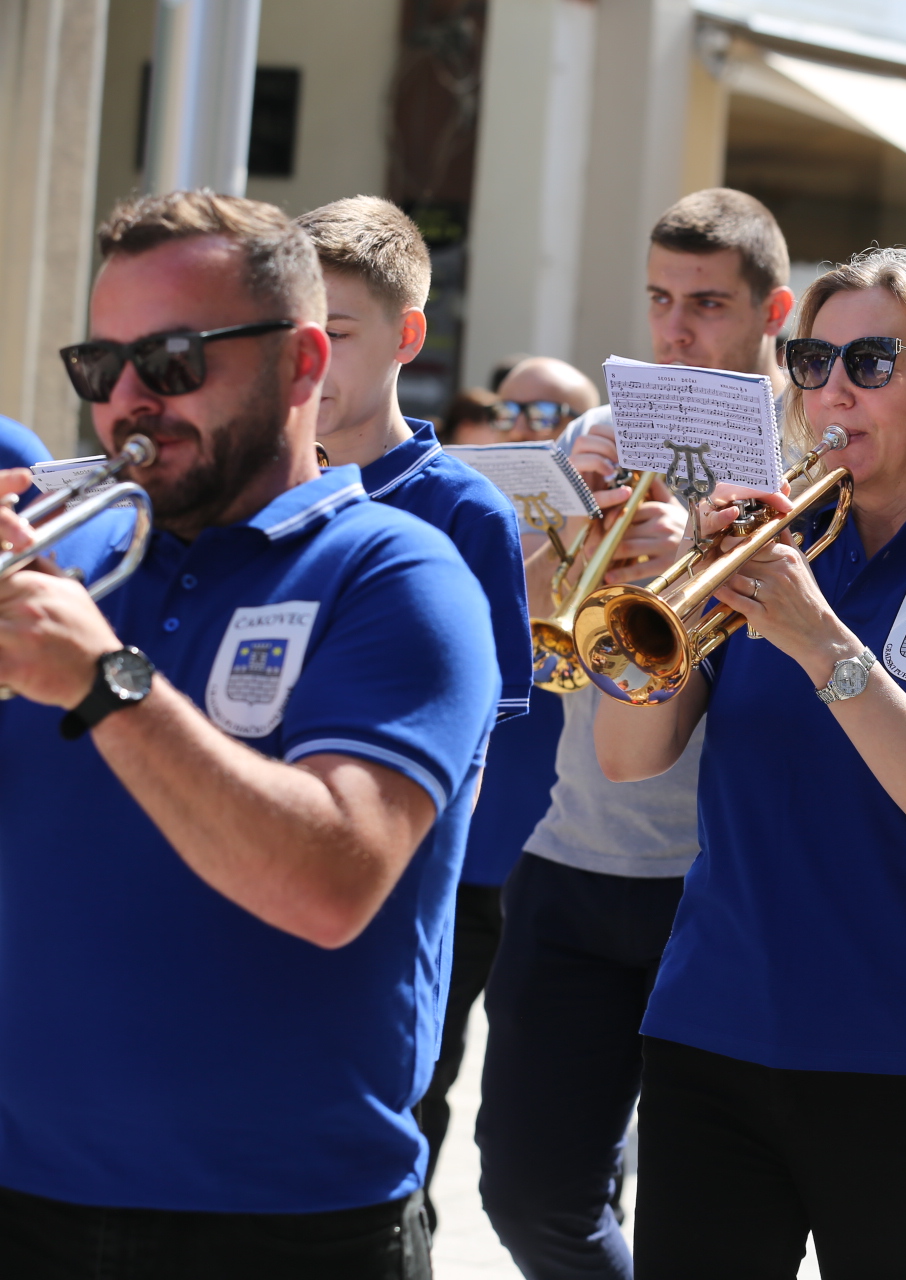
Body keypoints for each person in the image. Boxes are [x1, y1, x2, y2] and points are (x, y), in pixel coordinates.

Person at [0, 191, 498, 1276]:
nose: (132, 399)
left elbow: (331, 879)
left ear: (304, 363)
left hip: (288, 1224)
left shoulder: (399, 577)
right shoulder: (67, 563)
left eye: (175, 359)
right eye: (104, 366)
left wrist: (102, 681)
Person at [592, 247, 906, 1278]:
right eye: (813, 361)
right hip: (713, 1033)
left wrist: (820, 641)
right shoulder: (777, 545)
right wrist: (661, 579)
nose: (830, 391)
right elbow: (628, 755)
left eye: (869, 361)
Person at [475, 189, 793, 1280]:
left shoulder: (803, 462)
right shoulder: (593, 436)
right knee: (526, 1191)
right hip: (572, 856)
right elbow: (521, 627)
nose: (674, 328)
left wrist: (681, 558)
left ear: (772, 312)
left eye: (707, 302)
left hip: (719, 877)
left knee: (702, 1221)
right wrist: (582, 544)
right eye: (660, 298)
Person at [297, 197, 534, 1219]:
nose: (309, 358)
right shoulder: (264, 484)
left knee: (387, 1162)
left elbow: (478, 745)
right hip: (266, 888)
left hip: (404, 904)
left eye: (337, 332)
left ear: (407, 337)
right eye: (292, 330)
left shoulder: (461, 508)